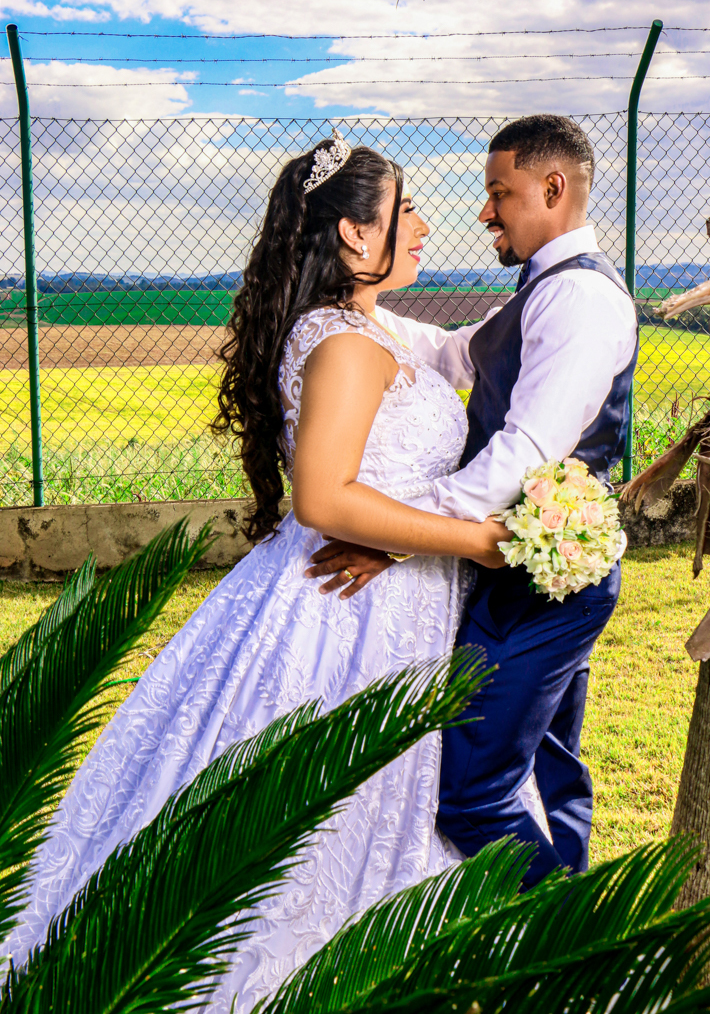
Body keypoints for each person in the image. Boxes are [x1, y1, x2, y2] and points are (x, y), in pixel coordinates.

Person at [6, 131, 511, 1013]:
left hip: (379, 596)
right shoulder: (347, 344)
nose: (427, 225)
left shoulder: (367, 327)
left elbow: (468, 351)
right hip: (341, 616)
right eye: (406, 210)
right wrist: (476, 541)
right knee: (300, 822)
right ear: (356, 236)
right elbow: (322, 497)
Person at [306, 115, 639, 889]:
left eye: (500, 193)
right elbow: (455, 351)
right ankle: (570, 928)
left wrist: (393, 533)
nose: (485, 211)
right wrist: (350, 300)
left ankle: (559, 957)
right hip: (527, 569)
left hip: (543, 583)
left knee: (473, 792)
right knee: (547, 773)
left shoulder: (582, 302)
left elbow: (520, 457)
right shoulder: (547, 289)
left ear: (553, 188)